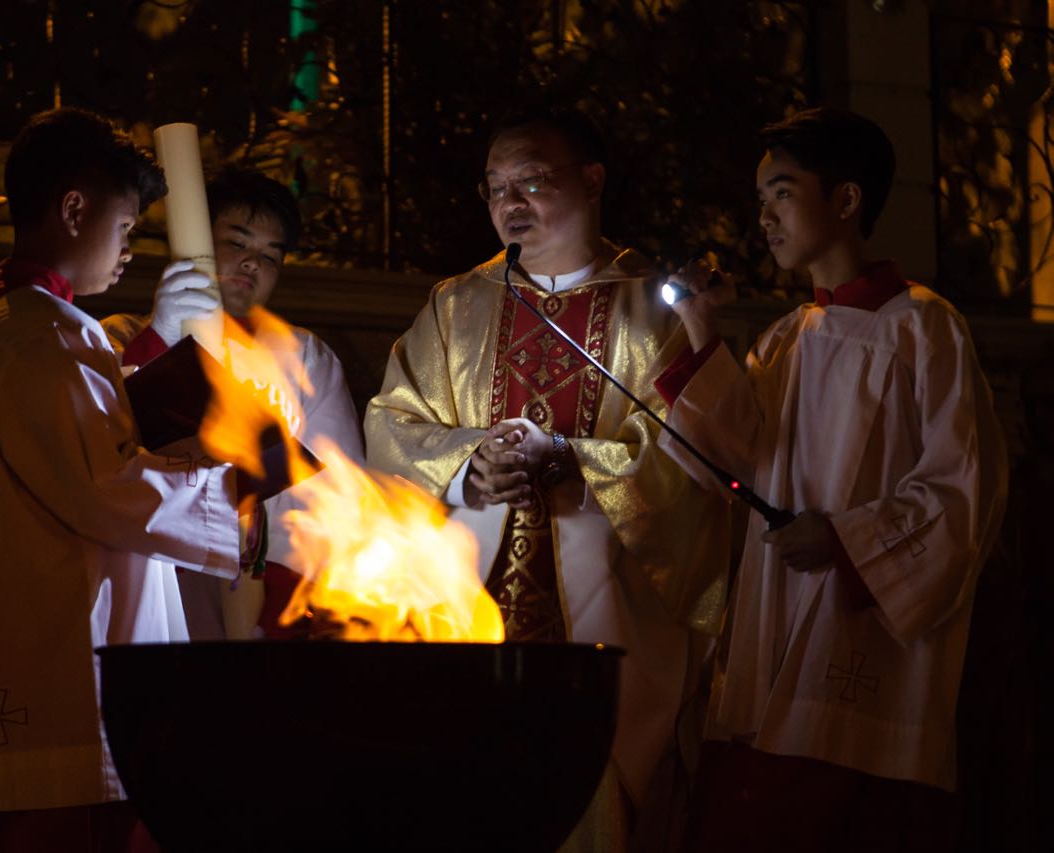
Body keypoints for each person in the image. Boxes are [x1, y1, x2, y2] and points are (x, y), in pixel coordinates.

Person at [0, 107, 242, 851]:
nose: (129, 250)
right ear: (74, 209)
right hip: (63, 637)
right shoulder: (41, 331)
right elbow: (105, 486)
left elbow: (79, 447)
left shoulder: (22, 323)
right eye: (126, 227)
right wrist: (241, 503)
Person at [364, 107, 728, 848]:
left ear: (592, 181)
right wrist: (469, 463)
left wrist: (572, 461)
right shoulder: (458, 305)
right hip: (471, 601)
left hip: (609, 604)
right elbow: (391, 424)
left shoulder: (654, 309)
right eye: (495, 186)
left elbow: (695, 460)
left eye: (530, 181)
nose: (510, 202)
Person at [656, 107, 1007, 851]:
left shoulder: (924, 327)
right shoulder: (787, 336)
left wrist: (847, 540)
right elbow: (741, 460)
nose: (764, 218)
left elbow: (963, 491)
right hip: (774, 617)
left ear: (846, 200)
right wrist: (699, 327)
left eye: (782, 194)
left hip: (863, 631)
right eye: (761, 200)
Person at [103, 168, 363, 640]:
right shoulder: (119, 336)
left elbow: (335, 492)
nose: (252, 264)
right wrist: (159, 339)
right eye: (237, 243)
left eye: (270, 256)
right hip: (147, 586)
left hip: (262, 600)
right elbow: (102, 447)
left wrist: (285, 597)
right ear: (197, 240)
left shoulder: (305, 357)